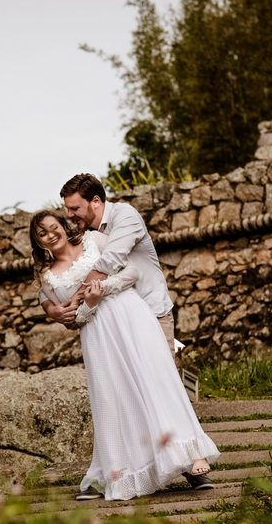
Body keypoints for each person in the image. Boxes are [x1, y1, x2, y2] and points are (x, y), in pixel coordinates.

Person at [30, 209, 220, 501]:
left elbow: (132, 273)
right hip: (97, 335)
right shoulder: (48, 279)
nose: (50, 235)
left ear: (63, 226)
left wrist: (102, 289)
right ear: (38, 241)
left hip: (132, 316)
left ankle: (192, 459)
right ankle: (122, 470)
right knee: (113, 398)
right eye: (41, 233)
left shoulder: (95, 241)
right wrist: (89, 305)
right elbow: (72, 319)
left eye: (53, 227)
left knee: (158, 381)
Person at [41, 173, 175, 351]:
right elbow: (59, 276)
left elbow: (109, 262)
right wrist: (50, 309)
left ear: (95, 201)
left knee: (161, 376)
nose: (69, 215)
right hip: (117, 324)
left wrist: (74, 299)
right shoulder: (84, 234)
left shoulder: (125, 215)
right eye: (68, 209)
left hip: (152, 312)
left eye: (74, 208)